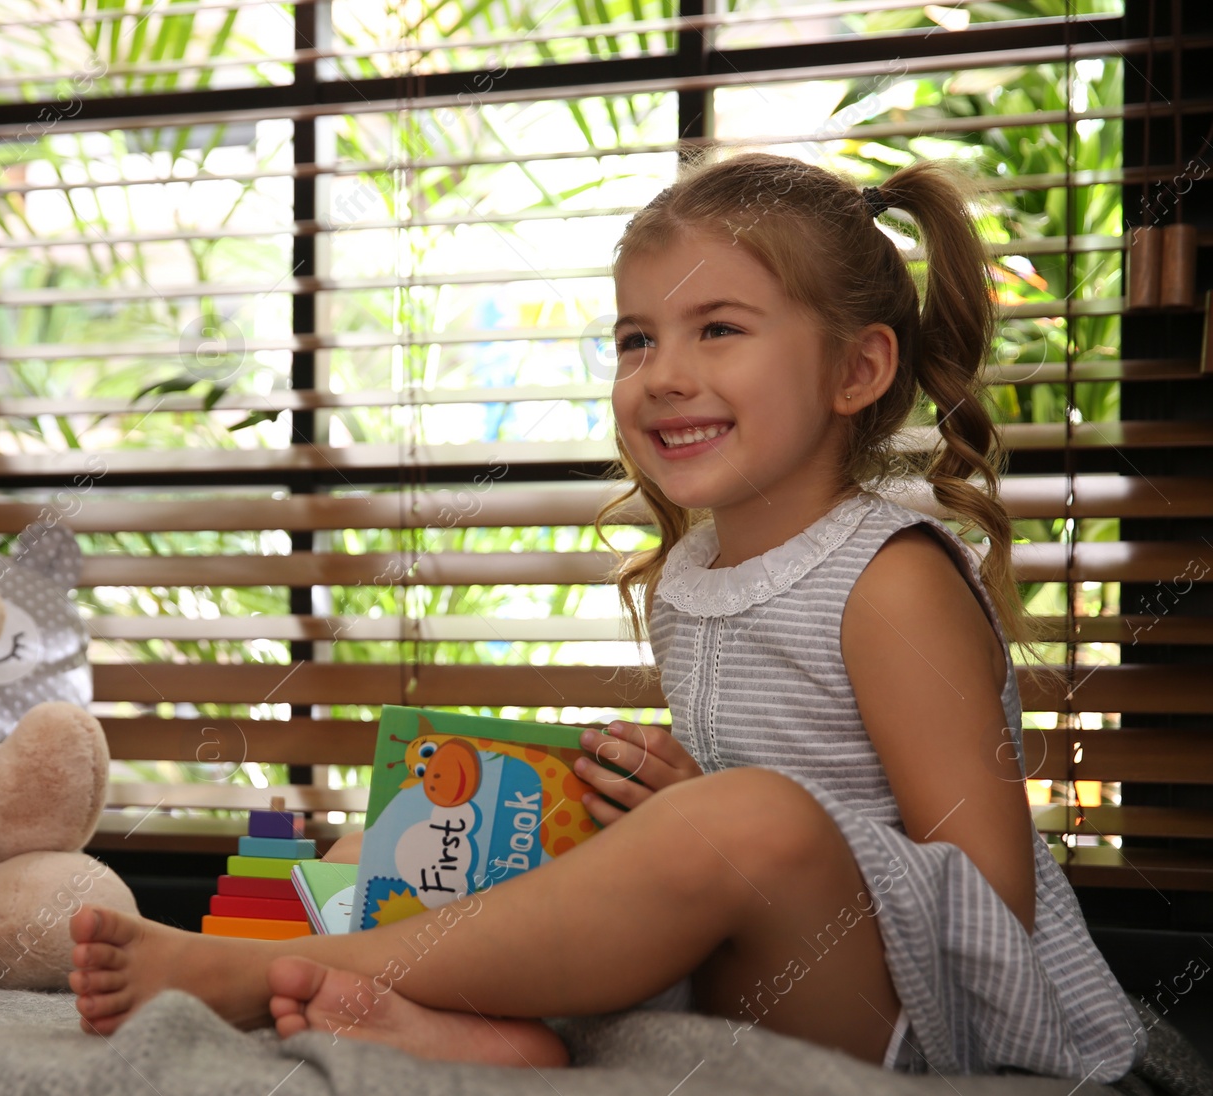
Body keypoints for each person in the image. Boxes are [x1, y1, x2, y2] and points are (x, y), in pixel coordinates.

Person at [66, 152, 1144, 1080]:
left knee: (749, 818)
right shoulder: (693, 576)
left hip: (916, 1015)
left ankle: (264, 978)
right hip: (744, 966)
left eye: (716, 329)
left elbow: (991, 895)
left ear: (856, 368)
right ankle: (487, 1031)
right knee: (424, 819)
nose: (663, 375)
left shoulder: (891, 578)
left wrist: (731, 817)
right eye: (636, 340)